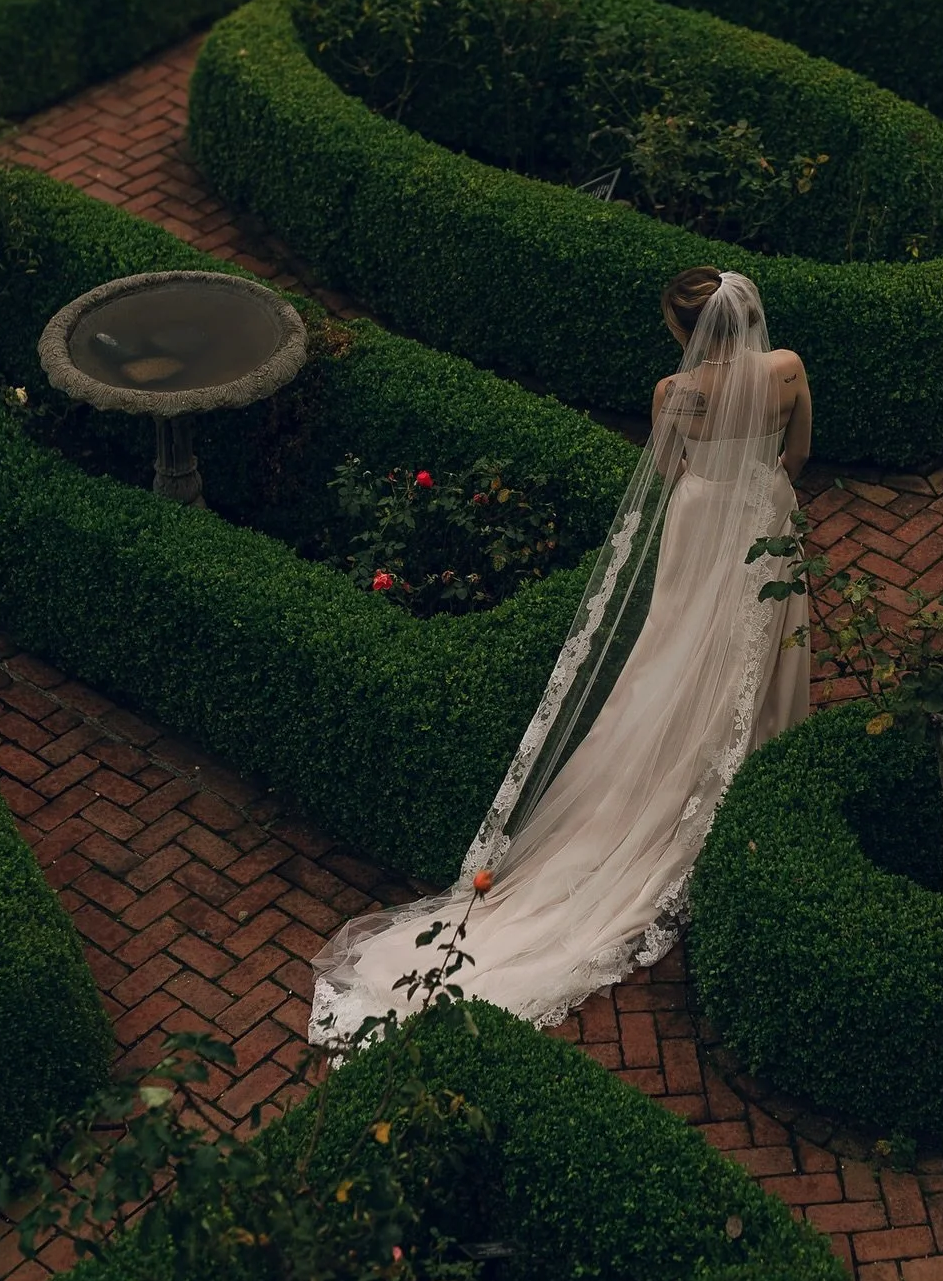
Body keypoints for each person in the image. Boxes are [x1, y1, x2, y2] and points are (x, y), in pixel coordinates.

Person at [310, 266, 812, 1040]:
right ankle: (761, 747)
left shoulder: (675, 393)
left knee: (675, 641)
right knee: (757, 632)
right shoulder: (786, 371)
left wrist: (711, 482)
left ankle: (670, 753)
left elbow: (668, 471)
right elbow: (798, 453)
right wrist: (759, 488)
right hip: (764, 510)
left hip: (700, 516)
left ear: (686, 332)